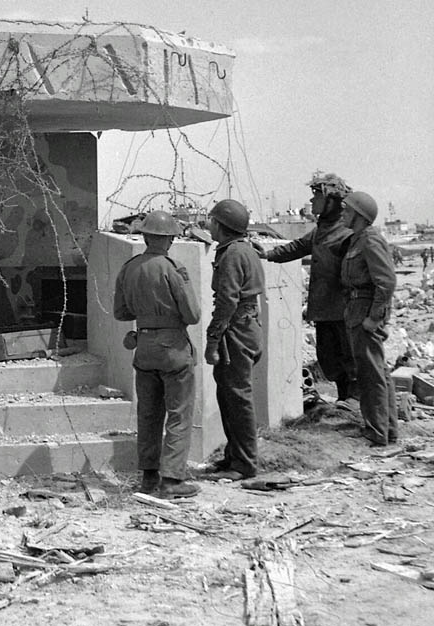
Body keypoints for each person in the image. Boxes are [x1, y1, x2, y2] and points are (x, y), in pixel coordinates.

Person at [114, 210, 202, 498]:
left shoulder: (129, 268)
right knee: (179, 413)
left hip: (144, 347)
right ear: (168, 239)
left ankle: (149, 478)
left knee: (148, 414)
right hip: (173, 348)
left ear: (145, 235)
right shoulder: (172, 268)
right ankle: (172, 480)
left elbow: (120, 312)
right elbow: (192, 314)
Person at [257, 172, 356, 401]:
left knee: (350, 363)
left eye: (316, 196)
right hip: (324, 310)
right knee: (330, 362)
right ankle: (344, 403)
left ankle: (354, 408)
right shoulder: (323, 229)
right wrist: (268, 254)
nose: (311, 201)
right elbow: (299, 247)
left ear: (331, 200)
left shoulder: (347, 233)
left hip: (343, 312)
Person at [204, 198, 265, 480]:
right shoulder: (244, 250)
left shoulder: (231, 255)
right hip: (247, 328)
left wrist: (213, 339)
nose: (209, 225)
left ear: (221, 225)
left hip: (236, 331)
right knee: (229, 396)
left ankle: (244, 464)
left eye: (212, 221)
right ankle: (234, 456)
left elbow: (227, 302)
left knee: (237, 398)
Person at [339, 191, 398, 446]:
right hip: (358, 309)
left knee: (370, 374)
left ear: (358, 215)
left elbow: (386, 282)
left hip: (365, 311)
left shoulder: (370, 240)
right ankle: (387, 430)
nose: (342, 213)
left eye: (346, 209)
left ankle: (376, 432)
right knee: (378, 372)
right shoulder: (358, 239)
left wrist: (374, 318)